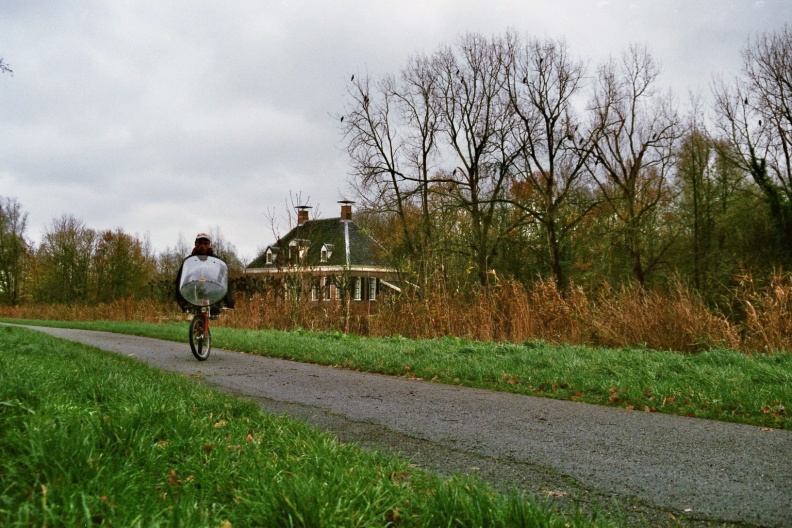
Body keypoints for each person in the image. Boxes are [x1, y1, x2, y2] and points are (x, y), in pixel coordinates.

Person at [174, 233, 235, 314]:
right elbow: (180, 281)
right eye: (200, 243)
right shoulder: (188, 261)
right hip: (193, 291)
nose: (202, 246)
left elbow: (223, 279)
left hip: (210, 291)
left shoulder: (216, 261)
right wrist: (182, 302)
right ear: (196, 244)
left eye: (205, 243)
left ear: (209, 245)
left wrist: (229, 303)